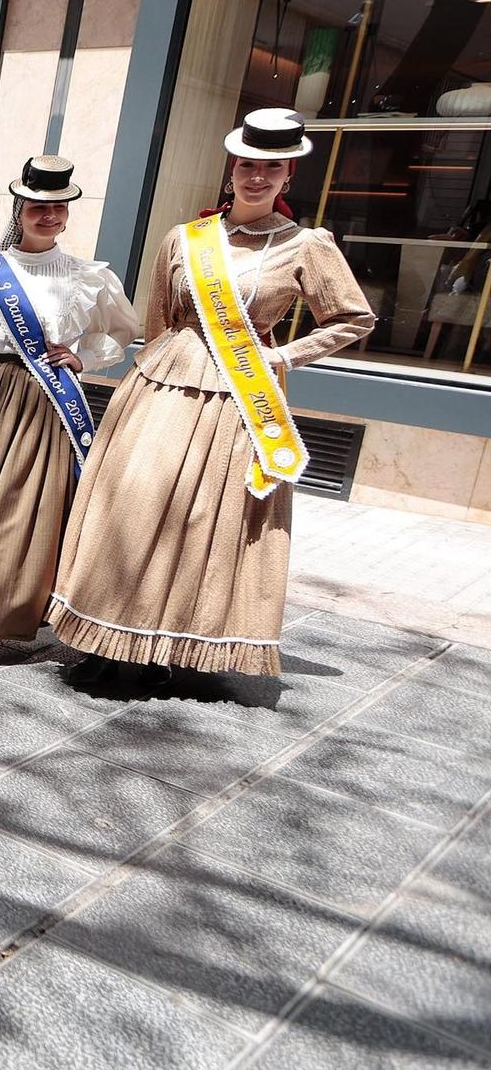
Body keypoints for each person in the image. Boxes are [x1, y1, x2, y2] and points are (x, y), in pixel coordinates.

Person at [48, 108, 375, 682]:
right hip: (161, 387)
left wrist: (283, 356)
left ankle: (170, 650)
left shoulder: (306, 246)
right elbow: (160, 317)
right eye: (247, 165)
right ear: (232, 169)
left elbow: (353, 318)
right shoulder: (185, 238)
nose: (257, 177)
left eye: (271, 168)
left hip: (235, 398)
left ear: (289, 176)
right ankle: (106, 637)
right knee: (132, 507)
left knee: (198, 520)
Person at [0, 157, 137, 654]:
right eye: (38, 206)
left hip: (43, 400)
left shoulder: (88, 276)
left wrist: (83, 357)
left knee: (19, 508)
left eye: (58, 208)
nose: (49, 215)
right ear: (19, 209)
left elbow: (123, 331)